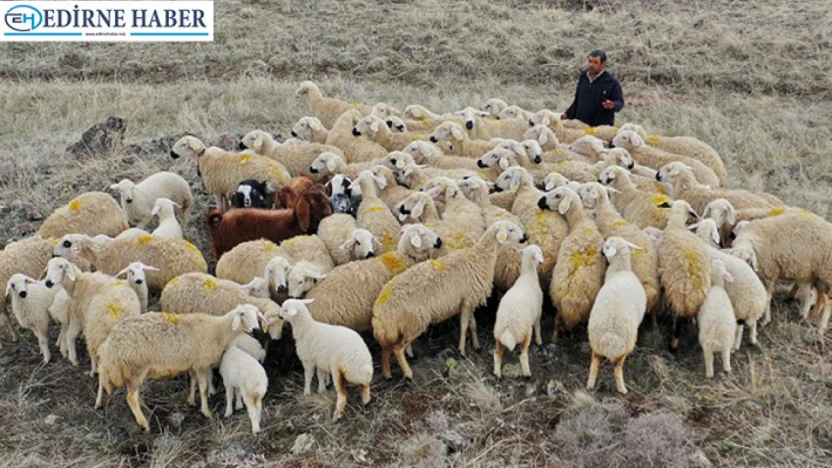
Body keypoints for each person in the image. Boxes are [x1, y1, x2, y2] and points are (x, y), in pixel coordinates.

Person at [561, 50, 624, 127]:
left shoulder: (610, 82)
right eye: (590, 61)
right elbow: (577, 100)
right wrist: (568, 114)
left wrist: (613, 105)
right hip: (580, 126)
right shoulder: (583, 76)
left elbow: (620, 102)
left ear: (603, 64)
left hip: (599, 129)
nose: (591, 65)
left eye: (595, 62)